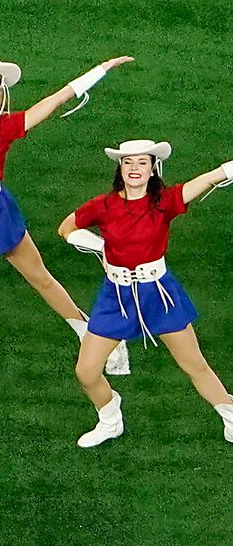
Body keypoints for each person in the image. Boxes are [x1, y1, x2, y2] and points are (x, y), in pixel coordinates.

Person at [0, 53, 129, 366]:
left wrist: (101, 69)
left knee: (40, 277)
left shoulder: (6, 125)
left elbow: (59, 97)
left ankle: (85, 331)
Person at [57, 138, 233, 448]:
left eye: (142, 162)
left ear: (153, 169)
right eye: (128, 162)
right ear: (120, 168)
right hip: (116, 297)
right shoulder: (103, 205)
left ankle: (231, 418)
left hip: (159, 295)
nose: (135, 168)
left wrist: (226, 169)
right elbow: (66, 228)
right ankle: (110, 420)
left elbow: (206, 180)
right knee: (86, 372)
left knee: (195, 365)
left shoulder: (164, 201)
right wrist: (99, 246)